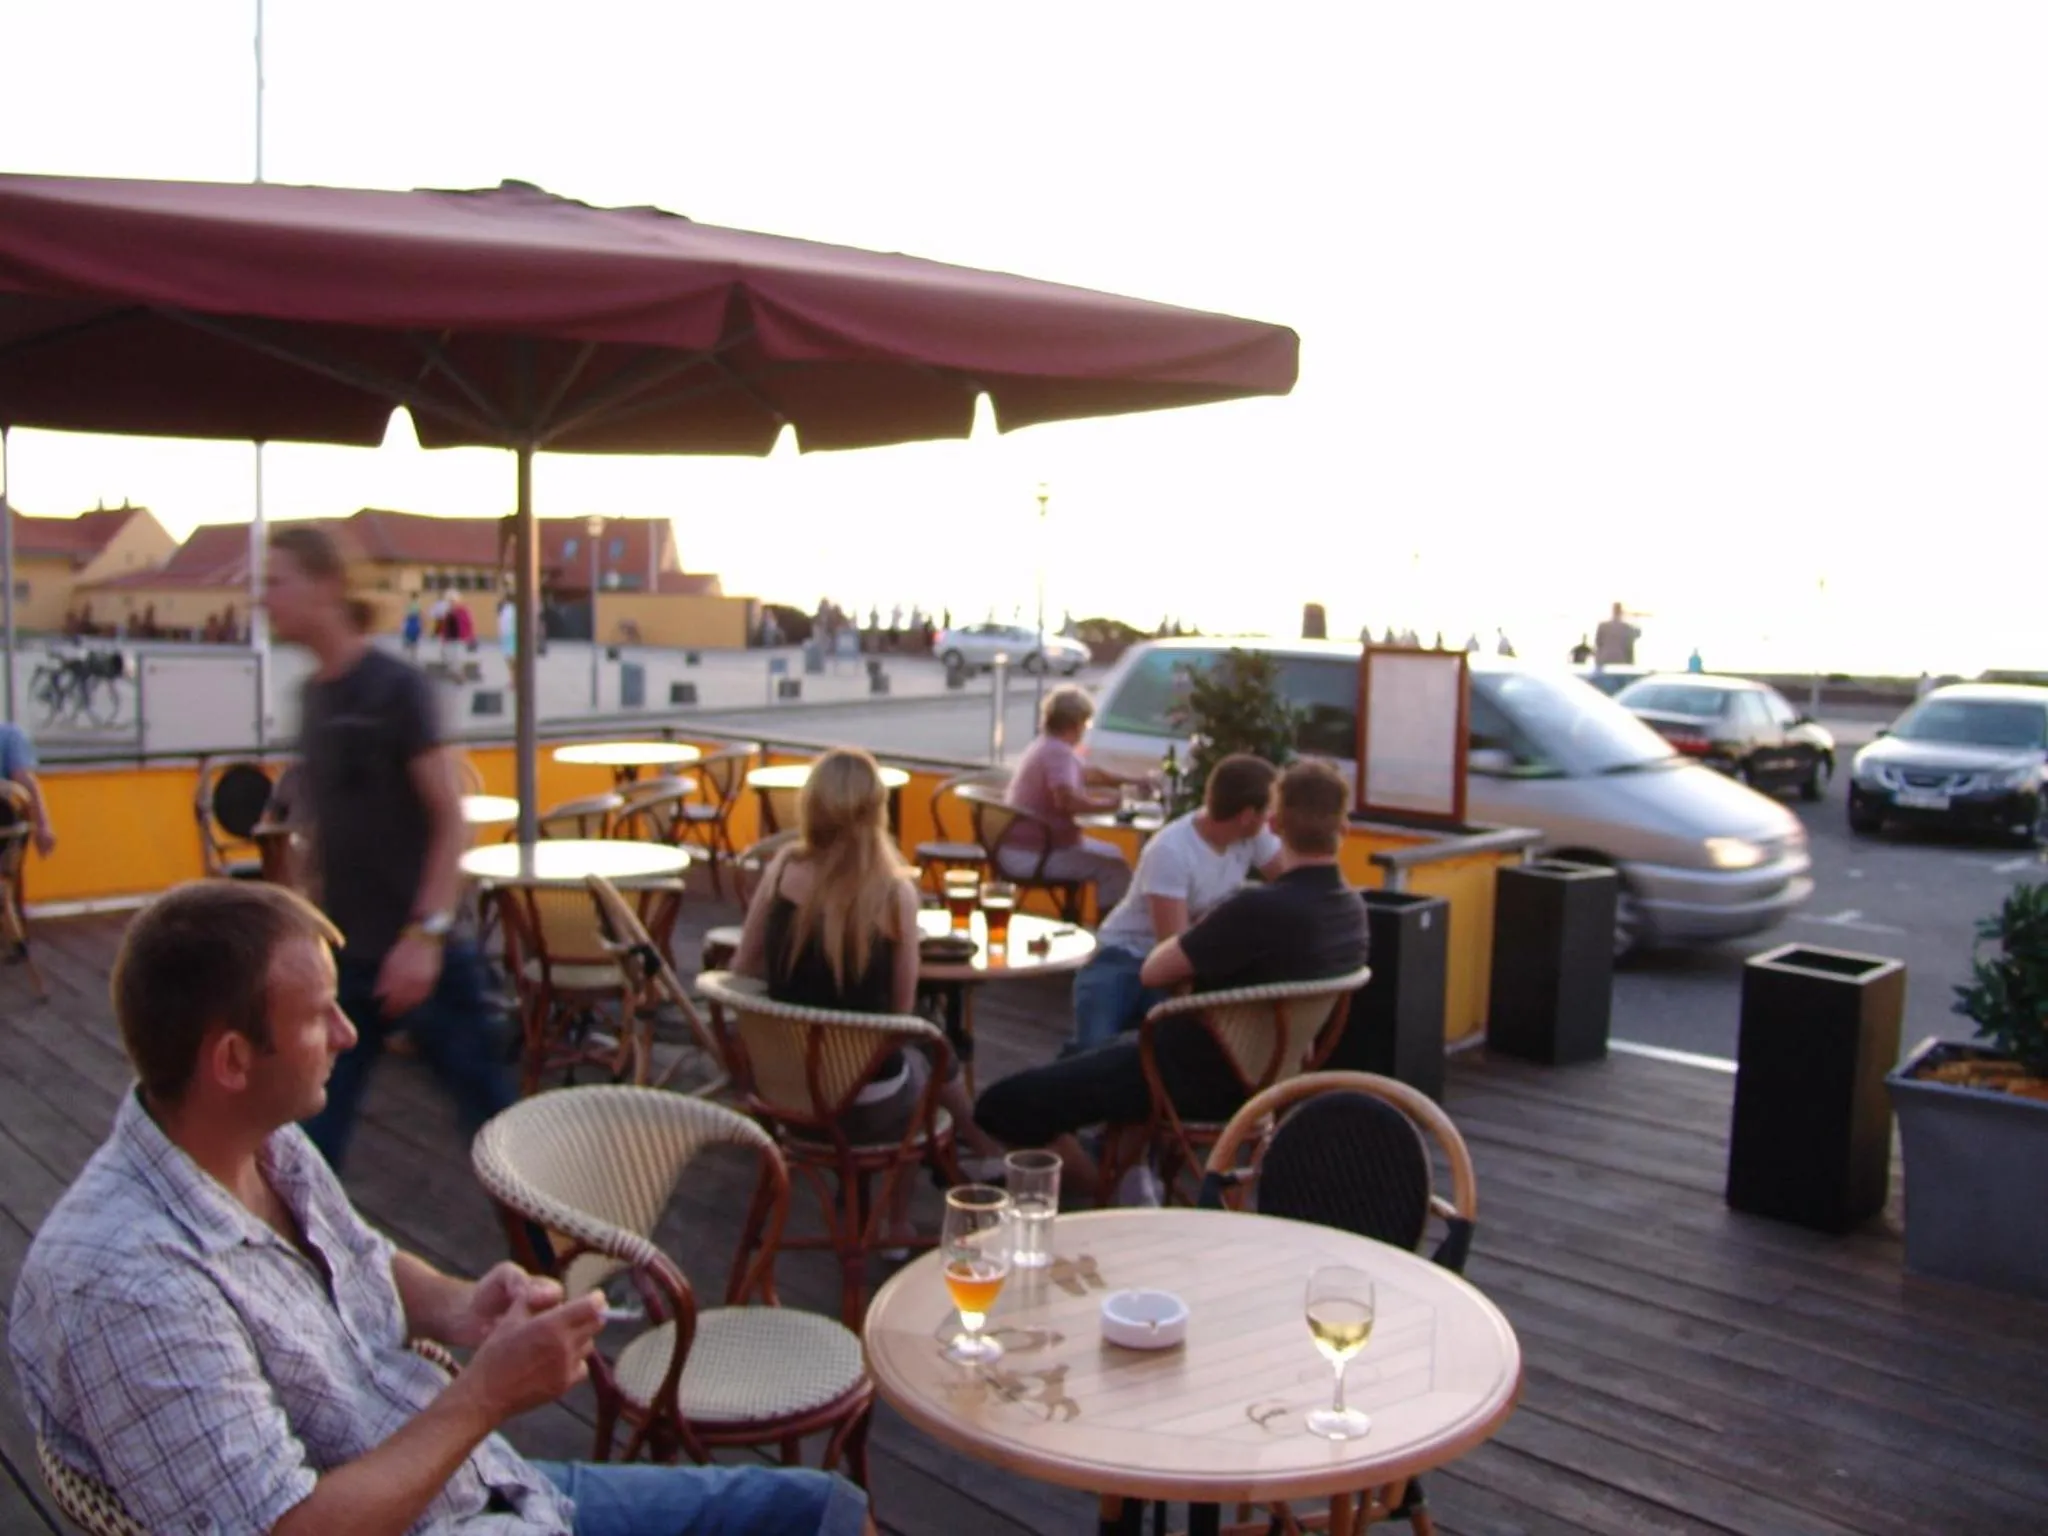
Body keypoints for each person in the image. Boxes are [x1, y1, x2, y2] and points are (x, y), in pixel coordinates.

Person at [9, 881, 872, 1536]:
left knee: (829, 1510)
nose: (350, 1036)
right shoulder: (127, 1285)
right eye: (320, 1017)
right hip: (452, 1509)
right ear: (232, 1059)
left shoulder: (254, 1138)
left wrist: (462, 1304)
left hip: (490, 1487)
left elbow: (358, 1256)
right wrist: (488, 1396)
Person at [975, 760, 1370, 1201]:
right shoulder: (1353, 914)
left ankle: (1100, 1198)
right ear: (1345, 828)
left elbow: (1154, 969)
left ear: (1274, 824)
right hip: (1266, 1079)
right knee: (1097, 1057)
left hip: (1188, 1072)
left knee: (1002, 1105)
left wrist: (1215, 924)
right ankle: (1120, 1172)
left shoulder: (1256, 911)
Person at [263, 525, 514, 1171]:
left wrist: (425, 937)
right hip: (348, 961)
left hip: (424, 959)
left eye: (277, 581)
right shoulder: (315, 696)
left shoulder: (396, 690)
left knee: (498, 1141)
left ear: (326, 586)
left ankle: (560, 1265)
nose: (264, 598)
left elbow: (450, 819)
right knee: (312, 1142)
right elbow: (325, 830)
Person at [731, 749, 1005, 1230]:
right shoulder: (895, 893)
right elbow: (899, 1017)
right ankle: (899, 1221)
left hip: (784, 1094)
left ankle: (973, 1152)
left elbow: (741, 969)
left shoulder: (779, 872)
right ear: (877, 809)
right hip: (866, 1104)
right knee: (925, 1054)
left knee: (922, 1050)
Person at [1066, 754, 1282, 1054]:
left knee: (1171, 1050)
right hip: (1123, 957)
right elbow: (1173, 946)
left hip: (1176, 962)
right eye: (1268, 812)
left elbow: (1293, 882)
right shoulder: (1172, 850)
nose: (1272, 821)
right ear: (1247, 815)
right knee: (1094, 1051)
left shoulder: (1252, 836)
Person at [998, 685, 1149, 916]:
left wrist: (1133, 781)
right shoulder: (1058, 753)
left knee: (1114, 855)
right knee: (1116, 871)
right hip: (1035, 854)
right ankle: (1108, 939)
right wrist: (1113, 805)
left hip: (1023, 847)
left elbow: (1090, 774)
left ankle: (1089, 924)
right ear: (1076, 723)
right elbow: (1067, 801)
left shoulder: (1048, 746)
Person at [0, 719, 56, 857]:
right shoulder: (11, 736)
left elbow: (24, 781)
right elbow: (24, 781)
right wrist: (42, 826)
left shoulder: (9, 736)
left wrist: (42, 826)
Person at [1594, 601, 1640, 669]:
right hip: (1622, 661)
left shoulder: (1603, 626)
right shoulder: (1627, 627)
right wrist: (1633, 617)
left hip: (1604, 660)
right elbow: (1637, 634)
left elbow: (1598, 643)